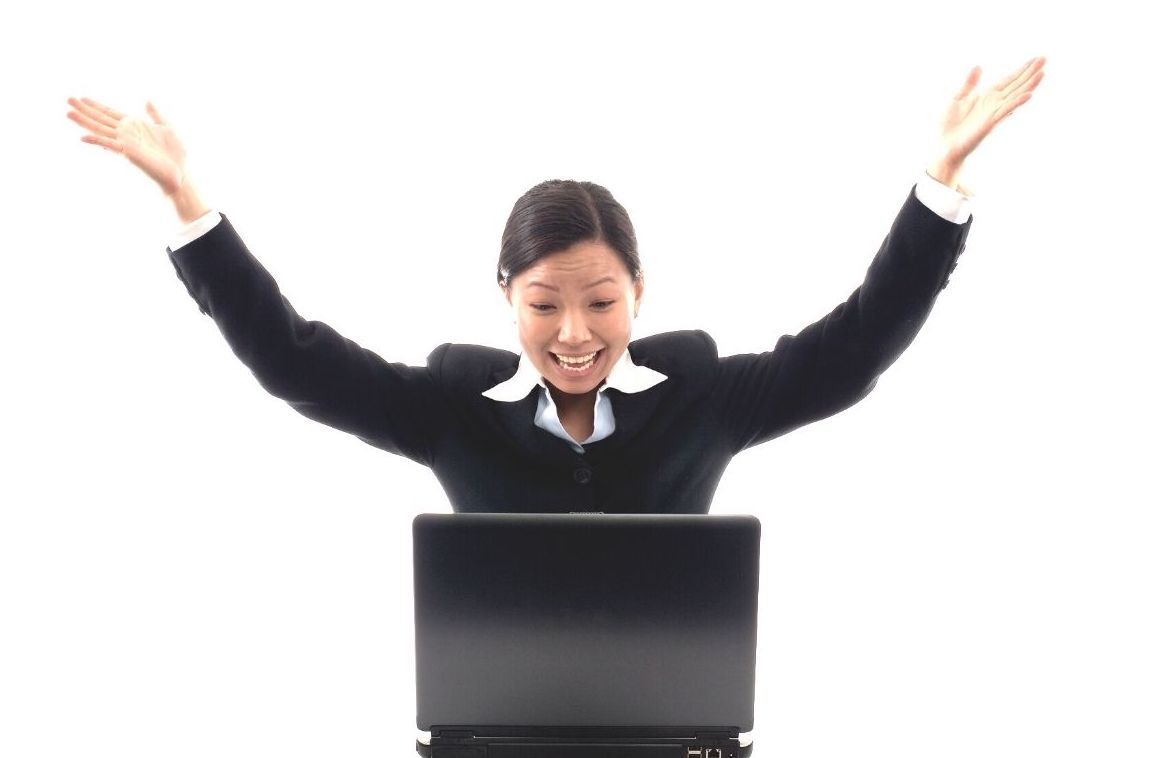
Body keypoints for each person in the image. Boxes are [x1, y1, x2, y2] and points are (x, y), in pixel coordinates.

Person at [65, 57, 1045, 513]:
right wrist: (191, 200)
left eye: (600, 301)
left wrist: (938, 185)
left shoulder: (704, 395)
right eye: (543, 303)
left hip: (675, 732)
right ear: (505, 297)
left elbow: (857, 346)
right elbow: (291, 358)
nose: (574, 333)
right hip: (490, 733)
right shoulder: (450, 404)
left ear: (639, 293)